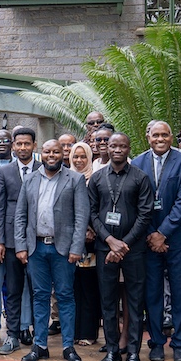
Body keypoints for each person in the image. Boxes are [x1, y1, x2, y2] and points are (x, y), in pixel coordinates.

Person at [14, 139, 90, 361]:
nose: (52, 155)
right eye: (47, 151)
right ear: (41, 153)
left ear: (62, 154)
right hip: (36, 248)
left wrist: (77, 248)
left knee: (66, 296)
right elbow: (20, 216)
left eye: (56, 151)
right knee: (40, 297)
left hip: (63, 250)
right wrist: (21, 246)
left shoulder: (75, 179)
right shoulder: (29, 179)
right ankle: (40, 346)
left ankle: (68, 347)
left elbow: (81, 216)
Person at [131, 120, 181, 361]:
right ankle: (157, 342)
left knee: (179, 291)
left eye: (164, 135)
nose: (160, 139)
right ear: (148, 137)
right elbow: (137, 203)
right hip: (147, 240)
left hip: (175, 239)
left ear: (171, 138)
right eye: (155, 135)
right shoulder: (137, 163)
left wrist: (163, 233)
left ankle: (179, 343)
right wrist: (151, 234)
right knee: (153, 293)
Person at [88, 133, 153, 361]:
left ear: (128, 149)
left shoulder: (141, 178)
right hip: (105, 248)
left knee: (135, 303)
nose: (117, 149)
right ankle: (112, 350)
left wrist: (123, 244)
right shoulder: (96, 178)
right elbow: (92, 213)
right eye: (112, 145)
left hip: (133, 249)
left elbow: (146, 214)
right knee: (108, 302)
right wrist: (109, 240)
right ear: (106, 147)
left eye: (122, 146)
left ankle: (134, 352)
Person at [0, 126, 41, 354]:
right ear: (13, 145)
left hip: (38, 240)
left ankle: (36, 334)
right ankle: (11, 335)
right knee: (12, 290)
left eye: (27, 144)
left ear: (34, 145)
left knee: (38, 290)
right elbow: (0, 208)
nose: (22, 147)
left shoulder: (44, 169)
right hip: (11, 241)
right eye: (18, 144)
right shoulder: (5, 172)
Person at [67, 141, 100, 347]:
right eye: (75, 157)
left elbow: (97, 207)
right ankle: (74, 331)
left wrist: (91, 229)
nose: (79, 161)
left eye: (83, 157)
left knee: (89, 289)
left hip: (90, 244)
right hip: (69, 242)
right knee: (73, 288)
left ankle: (88, 332)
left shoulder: (94, 179)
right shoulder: (65, 177)